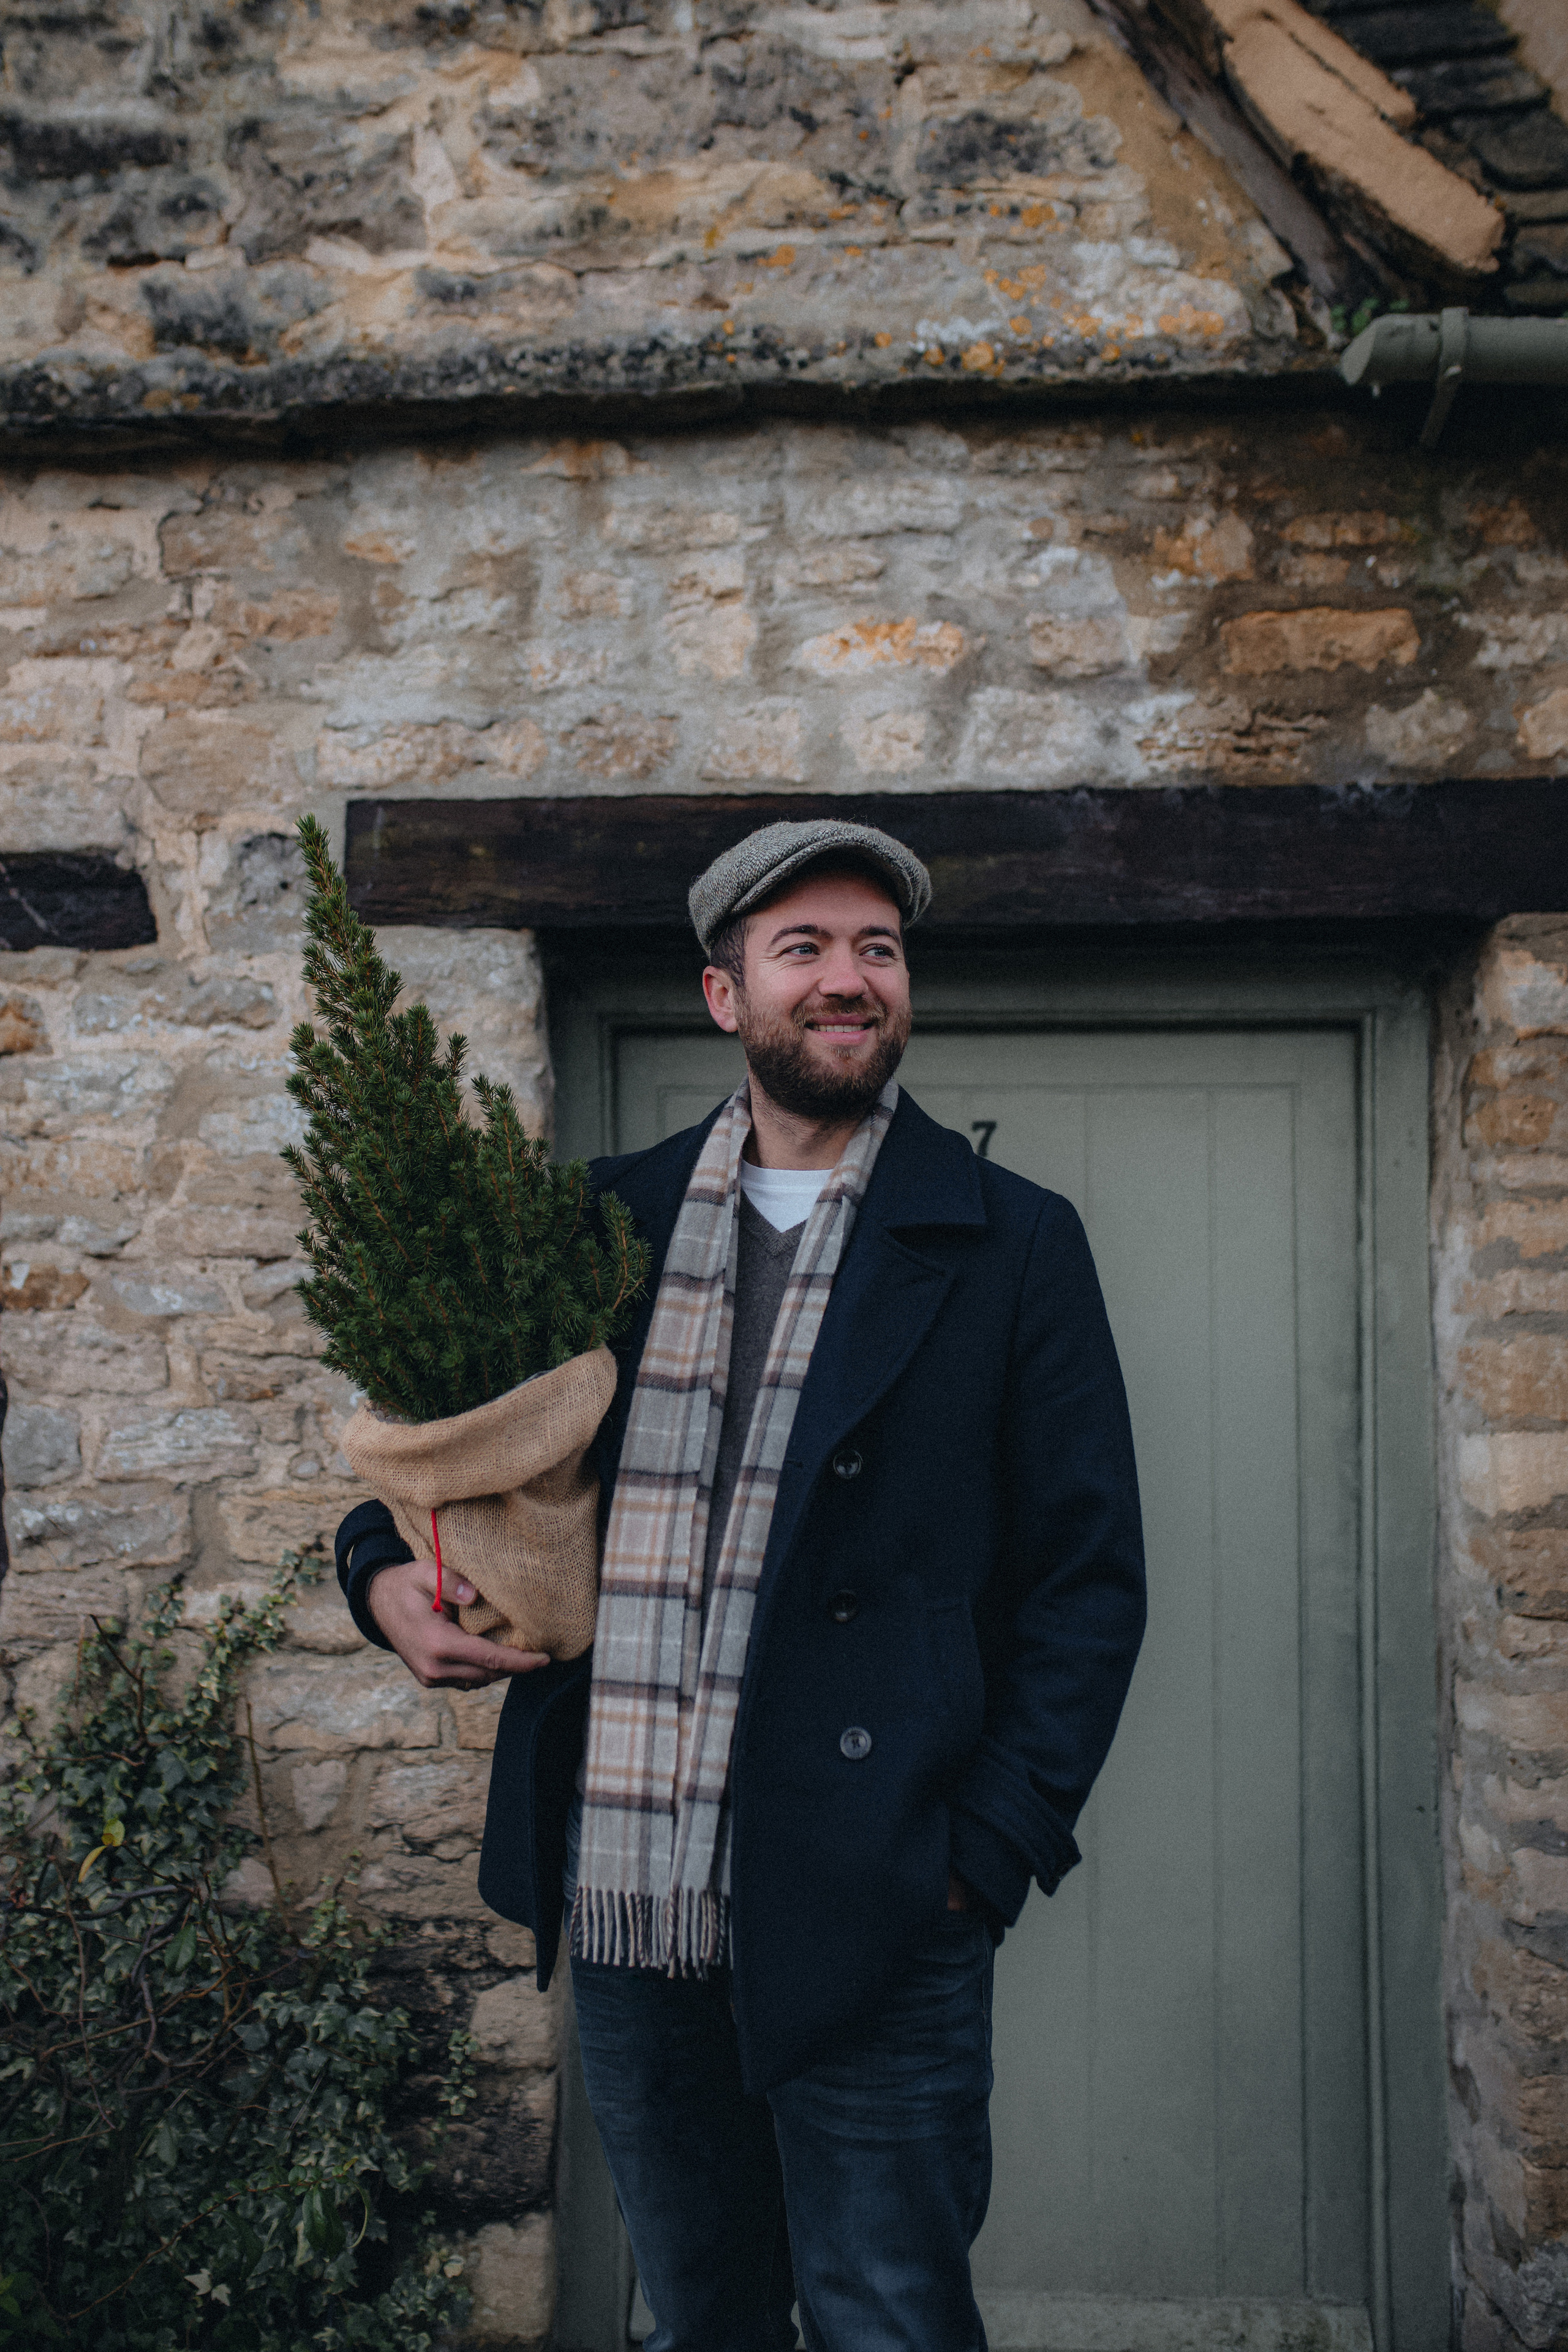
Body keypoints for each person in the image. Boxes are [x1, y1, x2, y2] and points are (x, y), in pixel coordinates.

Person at [335, 816, 1145, 2352]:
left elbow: (1087, 1584)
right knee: (694, 2318)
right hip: (627, 1887)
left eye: (877, 950)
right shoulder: (597, 1227)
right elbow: (424, 1458)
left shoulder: (1009, 1244)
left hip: (878, 1901)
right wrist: (379, 1580)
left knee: (886, 2317)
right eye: (805, 950)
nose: (847, 981)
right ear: (727, 998)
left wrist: (976, 1858)